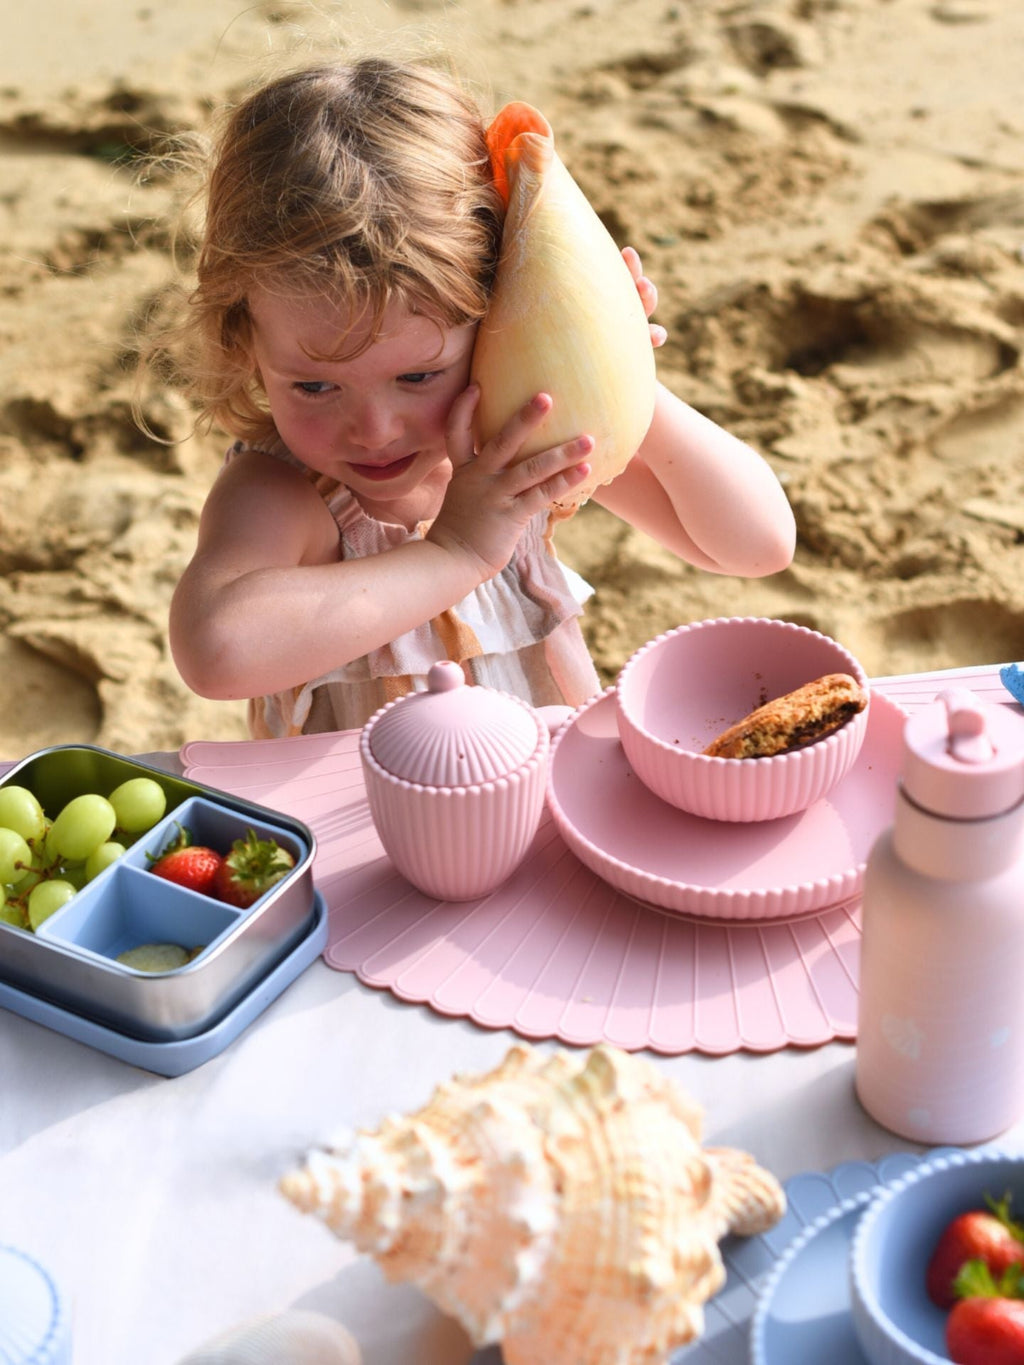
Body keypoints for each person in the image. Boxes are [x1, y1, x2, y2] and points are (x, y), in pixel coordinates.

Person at [161, 56, 796, 739]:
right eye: (314, 386)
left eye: (417, 378)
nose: (374, 429)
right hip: (361, 806)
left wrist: (610, 360)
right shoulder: (285, 491)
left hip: (543, 786)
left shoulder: (514, 445)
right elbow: (217, 651)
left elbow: (756, 546)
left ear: (500, 323)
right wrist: (453, 554)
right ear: (245, 341)